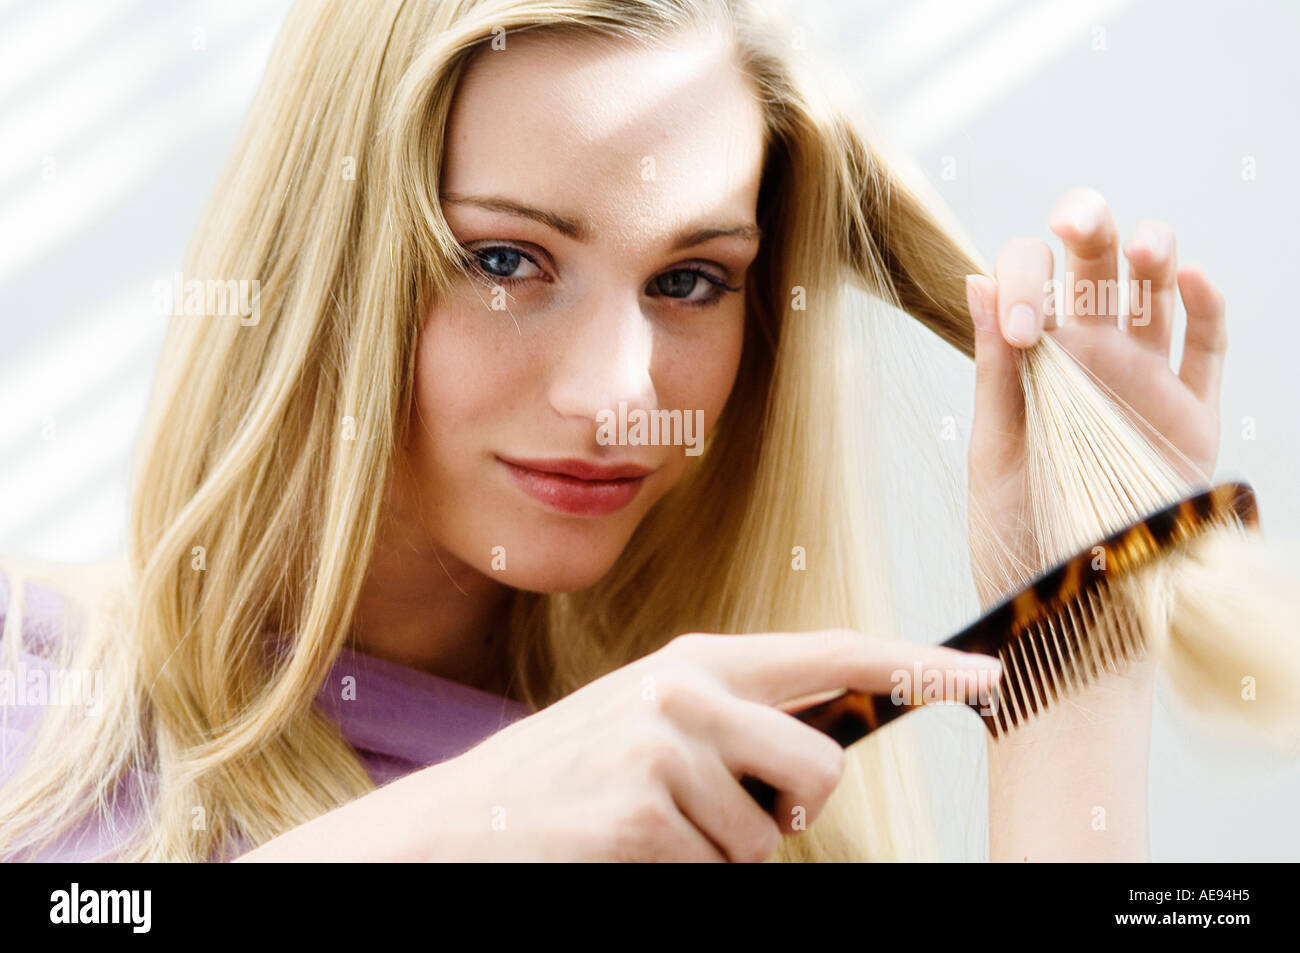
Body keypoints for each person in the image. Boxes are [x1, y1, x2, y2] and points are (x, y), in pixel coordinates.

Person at [0, 0, 1227, 862]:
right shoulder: (30, 686)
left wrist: (1079, 640)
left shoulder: (719, 805)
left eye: (692, 280)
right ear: (326, 264)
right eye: (503, 258)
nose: (620, 395)